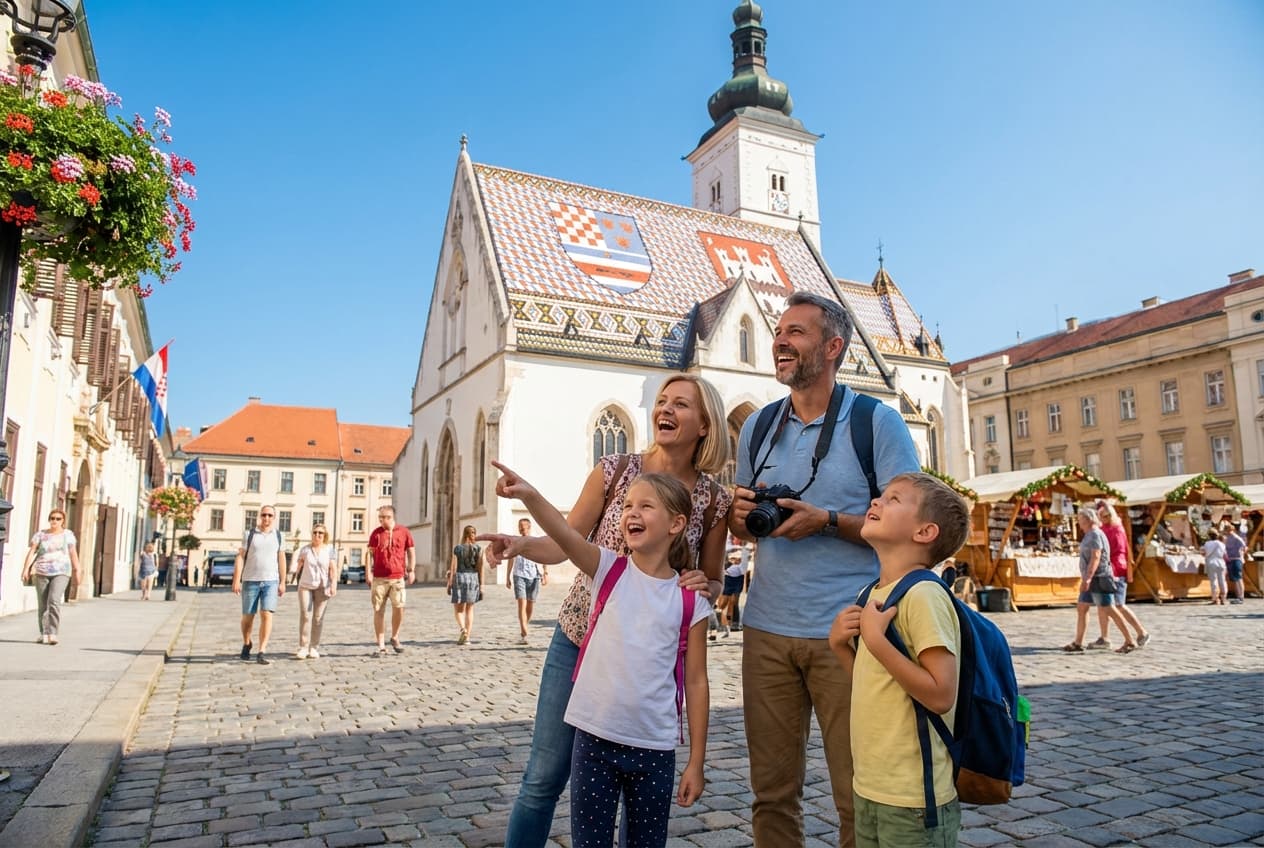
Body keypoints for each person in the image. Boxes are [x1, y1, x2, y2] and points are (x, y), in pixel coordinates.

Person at [487, 373, 732, 848]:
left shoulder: (714, 500)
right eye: (662, 400)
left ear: (705, 424)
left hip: (648, 660)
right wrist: (519, 544)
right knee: (543, 777)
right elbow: (566, 542)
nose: (666, 409)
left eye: (681, 404)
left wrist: (708, 583)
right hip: (580, 640)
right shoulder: (615, 469)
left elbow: (713, 578)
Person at [729, 291, 921, 848]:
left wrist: (828, 521)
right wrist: (744, 519)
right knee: (770, 794)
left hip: (853, 631)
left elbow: (908, 529)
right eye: (779, 331)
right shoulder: (759, 426)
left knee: (857, 794)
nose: (780, 341)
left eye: (797, 332)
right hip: (766, 629)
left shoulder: (875, 423)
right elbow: (747, 528)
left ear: (833, 347)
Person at [828, 473, 971, 847]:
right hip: (871, 786)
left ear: (925, 532)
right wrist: (843, 648)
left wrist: (875, 640)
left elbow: (941, 695)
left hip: (913, 798)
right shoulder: (873, 592)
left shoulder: (924, 594)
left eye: (893, 499)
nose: (875, 502)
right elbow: (879, 683)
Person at [1063, 506, 1134, 654]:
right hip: (1091, 578)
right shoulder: (1090, 534)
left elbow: (1096, 557)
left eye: (1081, 520)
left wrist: (1087, 578)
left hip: (1099, 577)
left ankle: (1129, 640)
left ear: (1088, 520)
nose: (1079, 523)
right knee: (1082, 607)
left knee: (1109, 609)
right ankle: (1078, 642)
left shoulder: (1095, 534)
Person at [231, 506, 287, 665]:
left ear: (274, 517)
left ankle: (262, 650)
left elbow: (281, 558)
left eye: (270, 515)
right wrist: (237, 579)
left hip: (271, 581)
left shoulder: (279, 535)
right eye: (264, 515)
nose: (267, 518)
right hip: (250, 580)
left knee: (267, 614)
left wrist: (283, 581)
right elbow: (240, 557)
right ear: (259, 516)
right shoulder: (249, 534)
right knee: (247, 618)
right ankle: (247, 642)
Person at [20, 509, 82, 645]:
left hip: (61, 572)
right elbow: (32, 552)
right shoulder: (41, 534)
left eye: (58, 519)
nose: (55, 521)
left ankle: (53, 633)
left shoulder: (68, 535)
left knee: (54, 600)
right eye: (52, 518)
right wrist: (25, 569)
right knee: (42, 604)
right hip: (41, 571)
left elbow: (73, 553)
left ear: (63, 521)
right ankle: (44, 634)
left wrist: (78, 570)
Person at [1097, 502, 1151, 648]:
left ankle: (1141, 632)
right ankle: (1104, 637)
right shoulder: (1103, 529)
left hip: (1116, 569)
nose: (1104, 518)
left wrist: (1111, 567)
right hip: (1107, 569)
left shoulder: (1117, 529)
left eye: (1107, 515)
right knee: (1103, 605)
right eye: (1102, 516)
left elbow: (1119, 551)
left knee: (1119, 605)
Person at [367, 505, 416, 655]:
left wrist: (411, 570)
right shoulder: (376, 533)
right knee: (378, 610)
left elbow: (411, 551)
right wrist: (368, 572)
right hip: (379, 579)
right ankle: (381, 645)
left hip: (397, 577)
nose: (382, 520)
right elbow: (369, 554)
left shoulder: (403, 532)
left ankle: (395, 636)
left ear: (391, 517)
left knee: (399, 607)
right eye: (380, 517)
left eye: (385, 517)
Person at [294, 523, 337, 659]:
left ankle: (314, 647)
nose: (317, 535)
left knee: (318, 618)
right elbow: (298, 565)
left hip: (323, 587)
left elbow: (333, 569)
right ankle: (303, 647)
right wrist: (292, 573)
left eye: (320, 533)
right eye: (315, 532)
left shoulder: (330, 550)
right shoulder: (305, 550)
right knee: (305, 615)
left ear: (324, 536)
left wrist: (333, 585)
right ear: (312, 534)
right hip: (306, 585)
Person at [505, 518, 545, 644]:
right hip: (519, 574)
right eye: (519, 526)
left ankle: (524, 627)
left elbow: (543, 555)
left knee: (530, 603)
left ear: (529, 526)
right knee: (521, 603)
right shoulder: (515, 541)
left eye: (523, 526)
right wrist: (507, 576)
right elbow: (511, 558)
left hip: (534, 575)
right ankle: (524, 629)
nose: (521, 528)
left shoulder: (535, 540)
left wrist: (545, 572)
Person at [448, 525, 484, 645]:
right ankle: (467, 637)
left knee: (458, 609)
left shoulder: (457, 549)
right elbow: (480, 569)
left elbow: (453, 567)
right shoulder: (478, 549)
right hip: (473, 579)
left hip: (460, 578)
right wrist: (481, 585)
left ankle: (463, 629)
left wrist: (449, 583)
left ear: (464, 534)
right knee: (470, 609)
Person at [714, 547, 746, 639]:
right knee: (723, 606)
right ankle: (724, 627)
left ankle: (728, 626)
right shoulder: (727, 560)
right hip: (727, 578)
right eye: (734, 559)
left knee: (731, 605)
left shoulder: (740, 562)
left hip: (736, 579)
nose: (736, 560)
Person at [1203, 529, 1228, 605]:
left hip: (1211, 562)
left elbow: (1205, 553)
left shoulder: (1207, 543)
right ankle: (1223, 598)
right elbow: (1225, 554)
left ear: (1209, 536)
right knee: (1222, 580)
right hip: (1221, 562)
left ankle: (1215, 598)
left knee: (1214, 581)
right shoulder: (1222, 544)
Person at [1223, 525, 1247, 604]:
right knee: (1236, 579)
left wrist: (1241, 554)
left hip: (1236, 559)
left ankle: (1241, 597)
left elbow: (1244, 547)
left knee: (1238, 578)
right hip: (1231, 559)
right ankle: (1239, 596)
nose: (1226, 532)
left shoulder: (1237, 538)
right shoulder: (1227, 538)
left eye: (1227, 530)